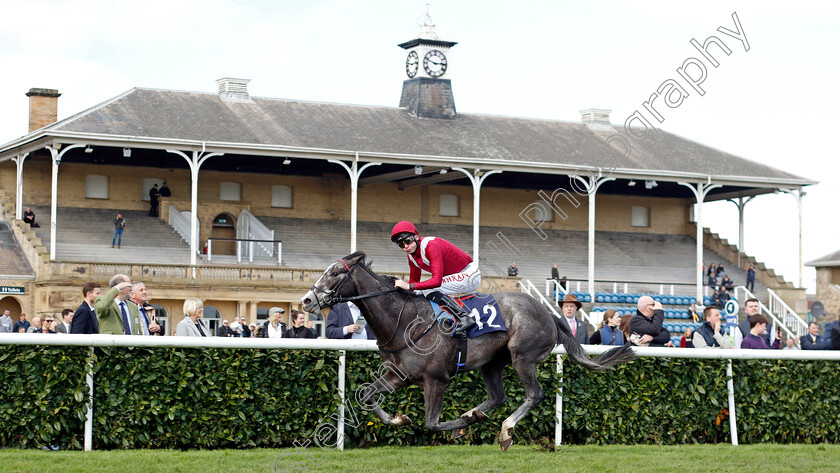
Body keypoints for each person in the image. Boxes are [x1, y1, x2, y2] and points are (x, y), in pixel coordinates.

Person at [391, 221, 480, 334]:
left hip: (470, 275)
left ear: (416, 237)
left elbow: (436, 281)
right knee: (420, 290)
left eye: (408, 241)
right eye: (401, 245)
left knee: (428, 289)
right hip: (456, 277)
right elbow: (414, 283)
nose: (406, 247)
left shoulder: (431, 245)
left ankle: (463, 318)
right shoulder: (411, 257)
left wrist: (408, 285)